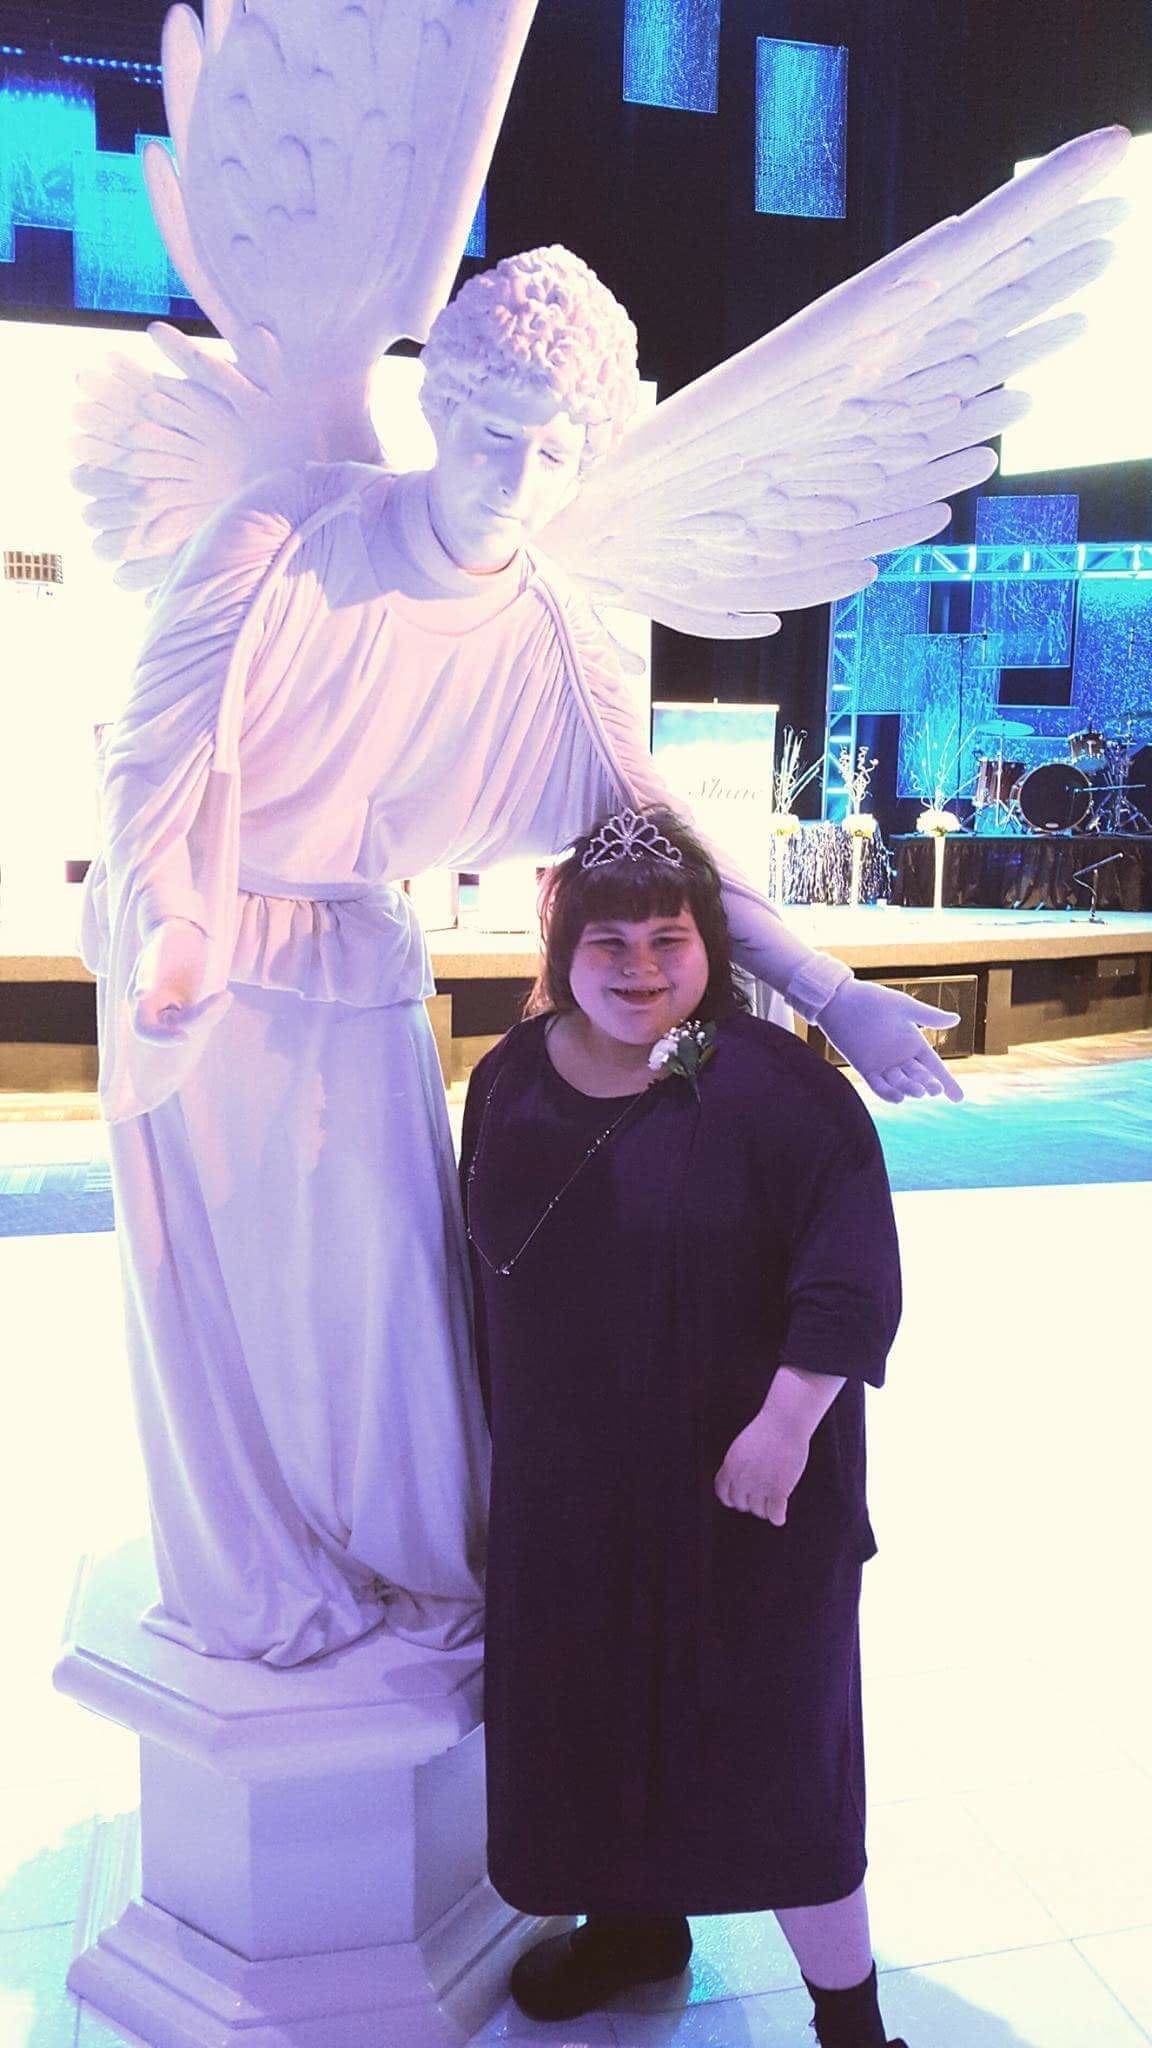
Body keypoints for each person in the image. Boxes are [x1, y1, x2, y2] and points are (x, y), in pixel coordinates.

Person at [83, 247, 953, 1668]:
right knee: (220, 1286)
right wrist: (177, 929)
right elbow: (154, 755)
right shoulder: (285, 534)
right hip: (193, 939)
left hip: (354, 946)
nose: (515, 475)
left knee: (387, 1287)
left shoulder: (553, 630)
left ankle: (412, 1556)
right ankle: (261, 1571)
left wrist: (833, 991)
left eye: (553, 452)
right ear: (438, 406)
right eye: (493, 430)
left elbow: (667, 830)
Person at [461, 804, 907, 2048]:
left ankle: (851, 2017)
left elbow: (850, 1273)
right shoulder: (509, 1079)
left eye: (668, 939)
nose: (640, 968)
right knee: (594, 1722)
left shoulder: (779, 1088)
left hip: (747, 1491)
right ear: (564, 948)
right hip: (572, 1495)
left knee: (778, 1750)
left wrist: (786, 1423)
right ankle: (634, 1930)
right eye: (609, 941)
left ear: (710, 944)